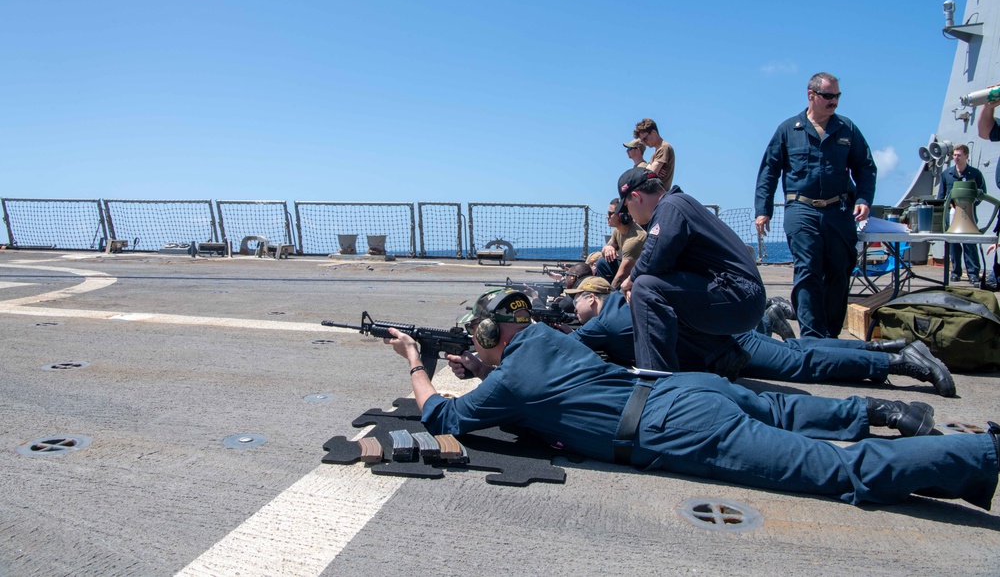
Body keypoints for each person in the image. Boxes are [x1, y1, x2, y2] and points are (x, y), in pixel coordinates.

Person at [382, 289, 999, 509]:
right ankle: (887, 413)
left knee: (833, 471)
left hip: (675, 428)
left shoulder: (509, 382)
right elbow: (525, 376)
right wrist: (479, 363)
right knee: (783, 408)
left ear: (489, 336)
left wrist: (420, 366)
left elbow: (446, 415)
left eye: (477, 339)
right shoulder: (547, 336)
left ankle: (977, 456)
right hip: (683, 389)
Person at [561, 276, 955, 397]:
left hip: (731, 346)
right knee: (800, 350)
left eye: (573, 305)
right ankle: (885, 347)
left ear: (591, 298)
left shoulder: (606, 319)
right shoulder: (622, 308)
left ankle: (899, 362)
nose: (573, 313)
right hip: (727, 336)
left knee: (802, 364)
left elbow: (572, 345)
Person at [755, 72, 878, 339]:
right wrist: (763, 210)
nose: (834, 102)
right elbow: (769, 170)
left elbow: (866, 166)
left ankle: (830, 337)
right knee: (808, 270)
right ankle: (811, 337)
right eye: (828, 96)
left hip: (839, 211)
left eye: (837, 96)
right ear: (811, 95)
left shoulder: (847, 129)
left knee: (839, 272)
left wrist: (864, 199)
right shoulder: (789, 129)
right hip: (802, 210)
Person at [614, 168, 765, 377]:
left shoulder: (670, 207)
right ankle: (723, 354)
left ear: (636, 197)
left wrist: (629, 281)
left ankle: (655, 380)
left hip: (739, 296)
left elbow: (653, 259)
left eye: (627, 208)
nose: (628, 215)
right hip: (742, 297)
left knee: (645, 287)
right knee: (662, 293)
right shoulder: (678, 204)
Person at [937, 144, 987, 284]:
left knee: (970, 244)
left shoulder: (975, 174)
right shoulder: (947, 174)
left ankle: (973, 273)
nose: (956, 158)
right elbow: (941, 196)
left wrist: (971, 205)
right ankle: (956, 272)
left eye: (959, 155)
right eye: (954, 155)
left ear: (966, 156)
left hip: (968, 215)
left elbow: (982, 193)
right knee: (954, 245)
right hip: (952, 214)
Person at [594, 198, 647, 290]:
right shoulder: (618, 231)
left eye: (610, 213)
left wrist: (609, 296)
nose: (607, 216)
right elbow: (605, 250)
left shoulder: (634, 239)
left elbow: (622, 276)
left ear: (621, 216)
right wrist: (608, 247)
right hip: (631, 270)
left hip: (643, 275)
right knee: (602, 262)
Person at [633, 118, 675, 189]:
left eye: (645, 139)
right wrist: (650, 167)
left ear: (654, 132)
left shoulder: (664, 148)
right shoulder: (657, 150)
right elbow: (650, 172)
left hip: (659, 196)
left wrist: (650, 168)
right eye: (642, 141)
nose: (644, 143)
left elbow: (651, 174)